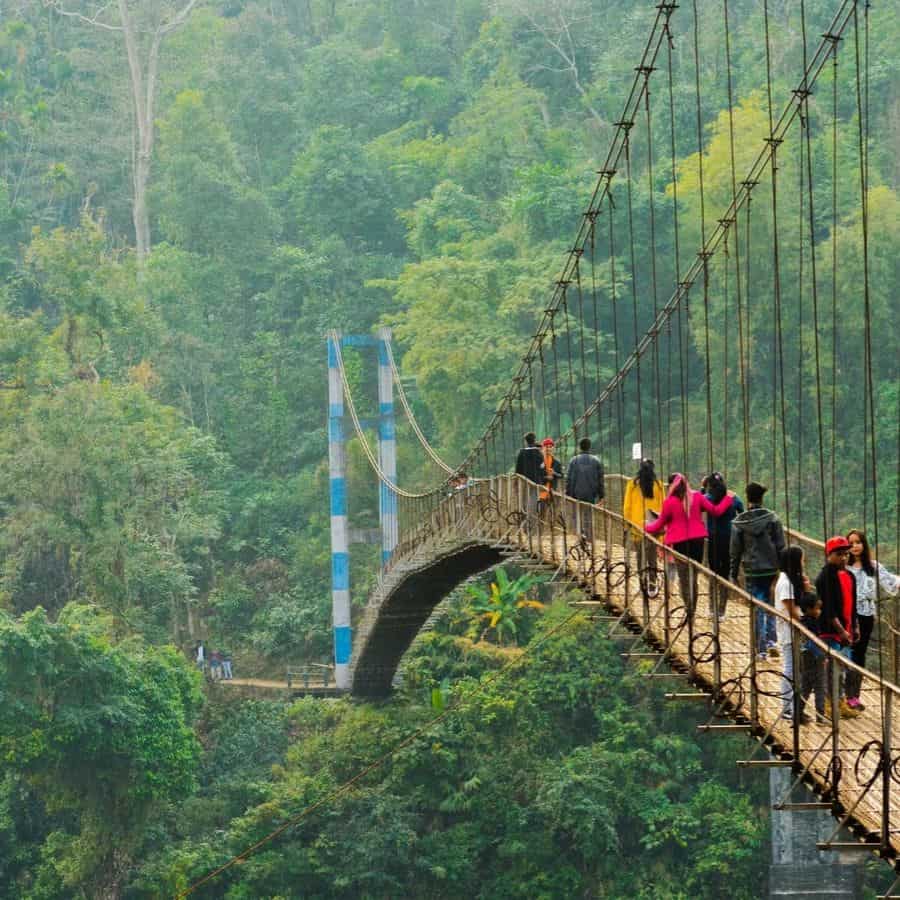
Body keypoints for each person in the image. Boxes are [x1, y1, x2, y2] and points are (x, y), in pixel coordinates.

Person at [645, 473, 734, 616]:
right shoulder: (697, 497)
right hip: (698, 542)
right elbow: (716, 511)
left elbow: (658, 525)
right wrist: (729, 498)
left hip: (680, 543)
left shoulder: (669, 502)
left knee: (684, 577)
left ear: (670, 486)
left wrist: (644, 527)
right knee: (693, 575)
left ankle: (689, 608)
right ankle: (692, 606)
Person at [845, 529, 900, 710]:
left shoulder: (873, 566)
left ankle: (854, 696)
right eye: (851, 543)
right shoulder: (844, 566)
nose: (854, 546)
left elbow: (890, 581)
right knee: (846, 653)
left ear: (864, 544)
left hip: (866, 615)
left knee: (859, 654)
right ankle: (841, 695)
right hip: (846, 615)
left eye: (858, 542)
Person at [730, 482, 786, 658]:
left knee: (756, 608)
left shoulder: (741, 522)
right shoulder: (773, 519)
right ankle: (772, 641)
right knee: (770, 604)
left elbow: (735, 550)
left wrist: (733, 573)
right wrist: (782, 569)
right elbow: (781, 545)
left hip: (751, 570)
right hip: (771, 570)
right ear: (762, 497)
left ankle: (760, 649)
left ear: (747, 498)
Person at [814, 536, 860, 720]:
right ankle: (828, 705)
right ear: (829, 555)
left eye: (846, 554)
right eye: (839, 554)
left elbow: (853, 604)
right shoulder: (824, 578)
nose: (844, 558)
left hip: (846, 630)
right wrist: (842, 631)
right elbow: (829, 609)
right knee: (831, 670)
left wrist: (855, 626)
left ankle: (839, 703)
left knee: (841, 669)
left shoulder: (849, 575)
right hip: (830, 631)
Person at [774, 546, 812, 723]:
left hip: (792, 631)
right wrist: (807, 627)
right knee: (790, 669)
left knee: (795, 669)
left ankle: (793, 707)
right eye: (802, 559)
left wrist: (804, 588)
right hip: (790, 631)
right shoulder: (786, 583)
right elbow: (791, 611)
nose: (803, 563)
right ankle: (787, 708)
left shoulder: (789, 580)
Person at [702, 472, 744, 621]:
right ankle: (722, 611)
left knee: (713, 573)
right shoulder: (733, 498)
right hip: (729, 541)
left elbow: (698, 504)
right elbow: (742, 513)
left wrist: (702, 489)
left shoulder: (707, 498)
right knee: (725, 574)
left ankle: (712, 609)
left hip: (713, 540)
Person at [623, 459, 665, 584]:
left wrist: (627, 524)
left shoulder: (632, 484)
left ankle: (642, 582)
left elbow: (627, 507)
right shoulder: (658, 485)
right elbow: (663, 506)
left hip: (637, 526)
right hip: (653, 525)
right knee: (652, 556)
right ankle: (652, 583)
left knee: (640, 555)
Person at [565, 437, 604, 540]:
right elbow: (601, 480)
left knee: (575, 516)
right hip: (591, 494)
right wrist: (601, 496)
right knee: (589, 517)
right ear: (589, 447)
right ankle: (589, 538)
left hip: (576, 494)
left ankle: (579, 537)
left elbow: (569, 478)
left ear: (580, 447)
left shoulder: (573, 460)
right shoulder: (596, 461)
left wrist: (568, 493)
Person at [799, 592, 828, 724]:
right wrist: (823, 656)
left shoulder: (802, 621)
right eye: (817, 608)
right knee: (820, 686)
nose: (819, 611)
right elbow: (813, 641)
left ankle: (798, 713)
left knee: (805, 686)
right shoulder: (813, 624)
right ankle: (820, 716)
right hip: (815, 656)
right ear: (809, 609)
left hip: (805, 656)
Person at [515, 432, 544, 522]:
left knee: (524, 500)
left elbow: (518, 469)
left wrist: (516, 482)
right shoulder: (539, 453)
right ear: (534, 440)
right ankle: (532, 519)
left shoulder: (521, 453)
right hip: (535, 481)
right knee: (533, 500)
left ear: (526, 441)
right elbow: (542, 468)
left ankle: (525, 519)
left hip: (524, 481)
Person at [538, 437, 563, 511]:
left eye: (550, 447)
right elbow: (537, 475)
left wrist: (554, 473)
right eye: (546, 447)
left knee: (553, 515)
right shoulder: (539, 461)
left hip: (553, 492)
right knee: (541, 514)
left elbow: (561, 475)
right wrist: (546, 477)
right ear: (543, 448)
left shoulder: (557, 463)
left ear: (553, 448)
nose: (548, 449)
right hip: (541, 491)